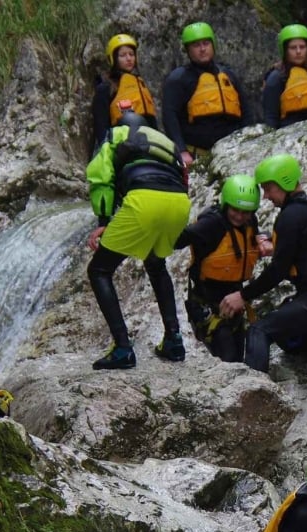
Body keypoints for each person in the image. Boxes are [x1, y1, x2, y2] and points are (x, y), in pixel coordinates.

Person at [218, 155, 307, 375]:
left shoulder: (290, 215)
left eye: (269, 188)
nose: (266, 196)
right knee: (289, 341)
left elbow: (278, 271)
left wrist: (243, 295)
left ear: (284, 183)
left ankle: (254, 388)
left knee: (260, 330)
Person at [85, 112, 191, 370]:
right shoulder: (165, 141)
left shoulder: (116, 135)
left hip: (144, 200)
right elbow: (184, 176)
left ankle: (122, 348)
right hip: (179, 203)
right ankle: (174, 340)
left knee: (99, 270)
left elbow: (101, 176)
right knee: (156, 264)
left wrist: (103, 221)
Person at [176, 174, 268, 363]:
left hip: (235, 300)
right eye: (236, 210)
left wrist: (265, 239)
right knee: (229, 357)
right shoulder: (212, 224)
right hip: (207, 302)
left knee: (240, 358)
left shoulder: (250, 222)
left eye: (246, 212)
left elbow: (251, 241)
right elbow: (180, 239)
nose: (240, 216)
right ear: (226, 204)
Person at [159, 22, 252, 168]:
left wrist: (249, 141)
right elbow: (170, 117)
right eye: (196, 45)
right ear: (188, 50)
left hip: (234, 150)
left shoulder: (228, 75)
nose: (202, 49)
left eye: (206, 43)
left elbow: (246, 112)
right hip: (198, 154)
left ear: (213, 45)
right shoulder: (179, 79)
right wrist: (182, 151)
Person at [91, 33, 158, 153]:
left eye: (131, 54)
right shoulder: (106, 88)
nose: (129, 58)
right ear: (113, 58)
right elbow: (101, 125)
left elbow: (152, 122)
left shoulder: (141, 85)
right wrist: (105, 147)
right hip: (122, 144)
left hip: (147, 142)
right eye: (122, 55)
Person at [262, 24, 307, 130]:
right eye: (293, 48)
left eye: (302, 47)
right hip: (290, 134)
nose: (298, 51)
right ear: (285, 50)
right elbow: (270, 116)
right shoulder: (277, 77)